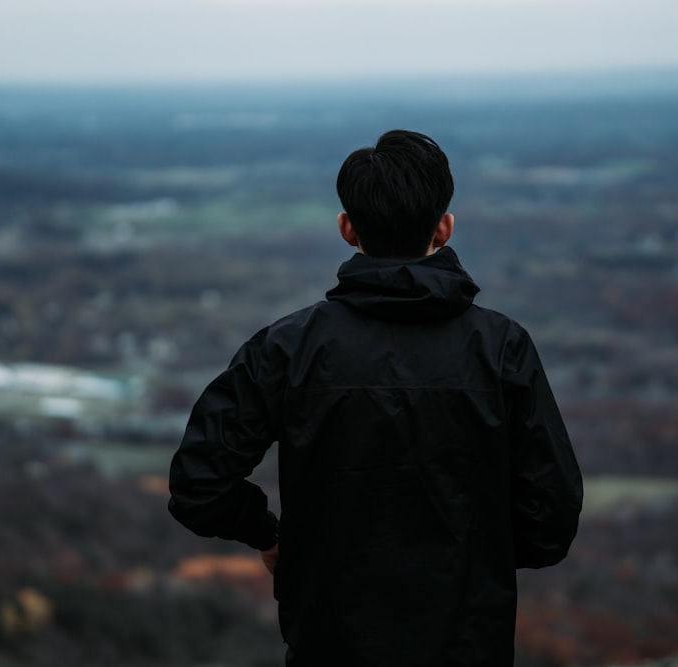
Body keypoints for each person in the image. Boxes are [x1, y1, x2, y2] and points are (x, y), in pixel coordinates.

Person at [168, 129, 583, 667]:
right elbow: (550, 522)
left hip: (329, 644)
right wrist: (470, 560)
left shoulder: (288, 349)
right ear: (444, 228)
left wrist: (270, 536)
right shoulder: (502, 349)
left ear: (347, 229)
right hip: (466, 644)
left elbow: (199, 484)